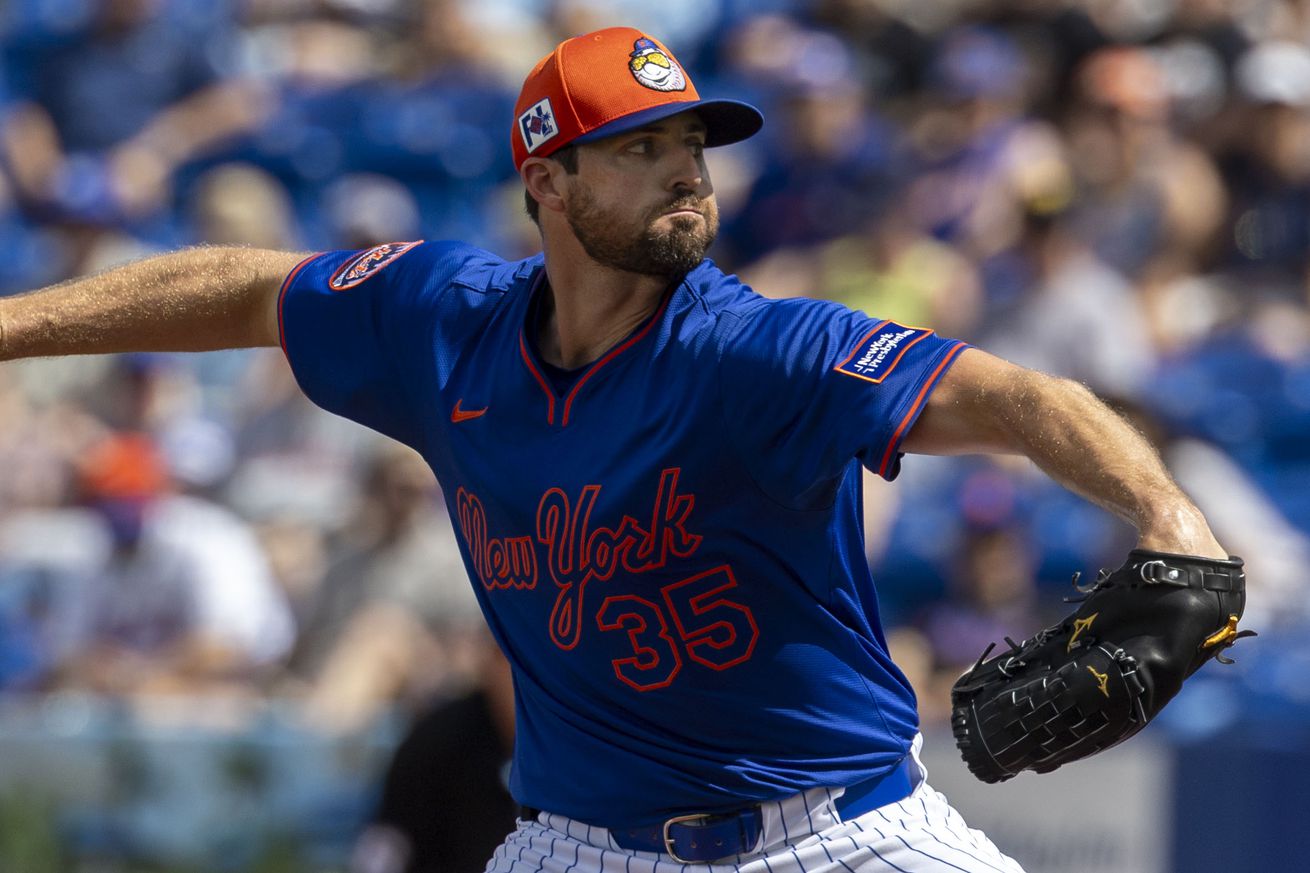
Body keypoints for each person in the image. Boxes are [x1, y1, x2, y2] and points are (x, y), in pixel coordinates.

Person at [0, 26, 1231, 872]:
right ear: (548, 179)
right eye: (641, 148)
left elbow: (1014, 395)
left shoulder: (760, 351)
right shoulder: (440, 320)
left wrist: (1166, 520)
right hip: (578, 841)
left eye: (692, 144)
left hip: (839, 834)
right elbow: (243, 290)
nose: (685, 173)